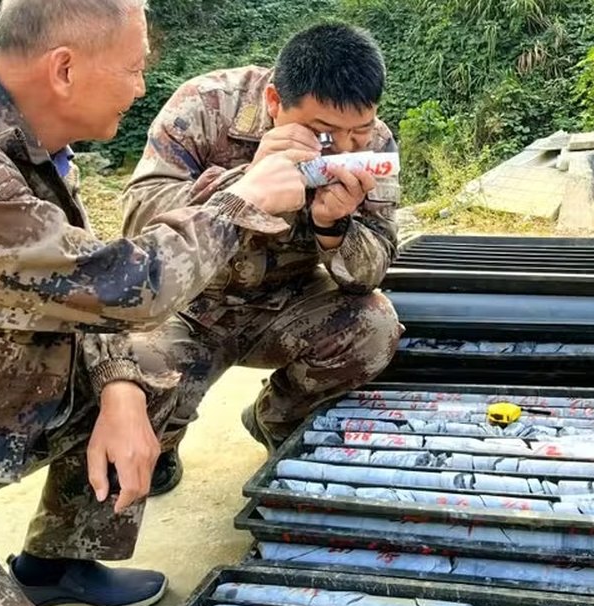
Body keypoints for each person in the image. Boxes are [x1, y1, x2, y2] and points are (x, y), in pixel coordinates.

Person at [0, 0, 312, 606]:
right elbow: (126, 286)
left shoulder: (14, 144)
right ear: (65, 69)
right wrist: (241, 202)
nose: (140, 87)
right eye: (133, 69)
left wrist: (123, 390)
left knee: (152, 366)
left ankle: (57, 563)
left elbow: (76, 293)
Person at [122, 22, 404, 495]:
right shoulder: (205, 105)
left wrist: (334, 228)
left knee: (374, 327)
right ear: (274, 102)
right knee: (131, 368)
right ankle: (163, 441)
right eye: (323, 133)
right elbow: (138, 224)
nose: (345, 146)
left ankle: (276, 418)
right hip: (190, 302)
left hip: (288, 301)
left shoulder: (373, 143)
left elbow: (371, 272)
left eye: (359, 130)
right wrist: (245, 184)